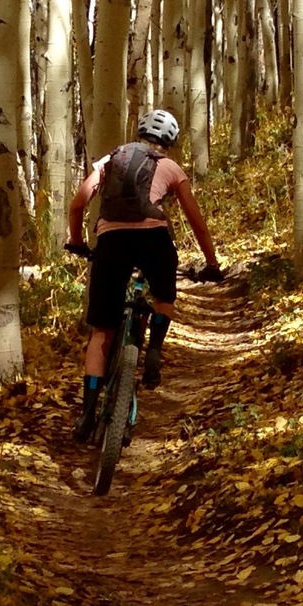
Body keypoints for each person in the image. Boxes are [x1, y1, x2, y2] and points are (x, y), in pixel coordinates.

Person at [64, 108, 221, 441]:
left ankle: (88, 413)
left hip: (111, 241)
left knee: (101, 333)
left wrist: (77, 241)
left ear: (139, 132)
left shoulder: (110, 160)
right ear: (170, 141)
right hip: (154, 240)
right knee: (163, 296)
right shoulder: (170, 167)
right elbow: (196, 220)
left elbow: (78, 203)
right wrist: (212, 263)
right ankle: (153, 351)